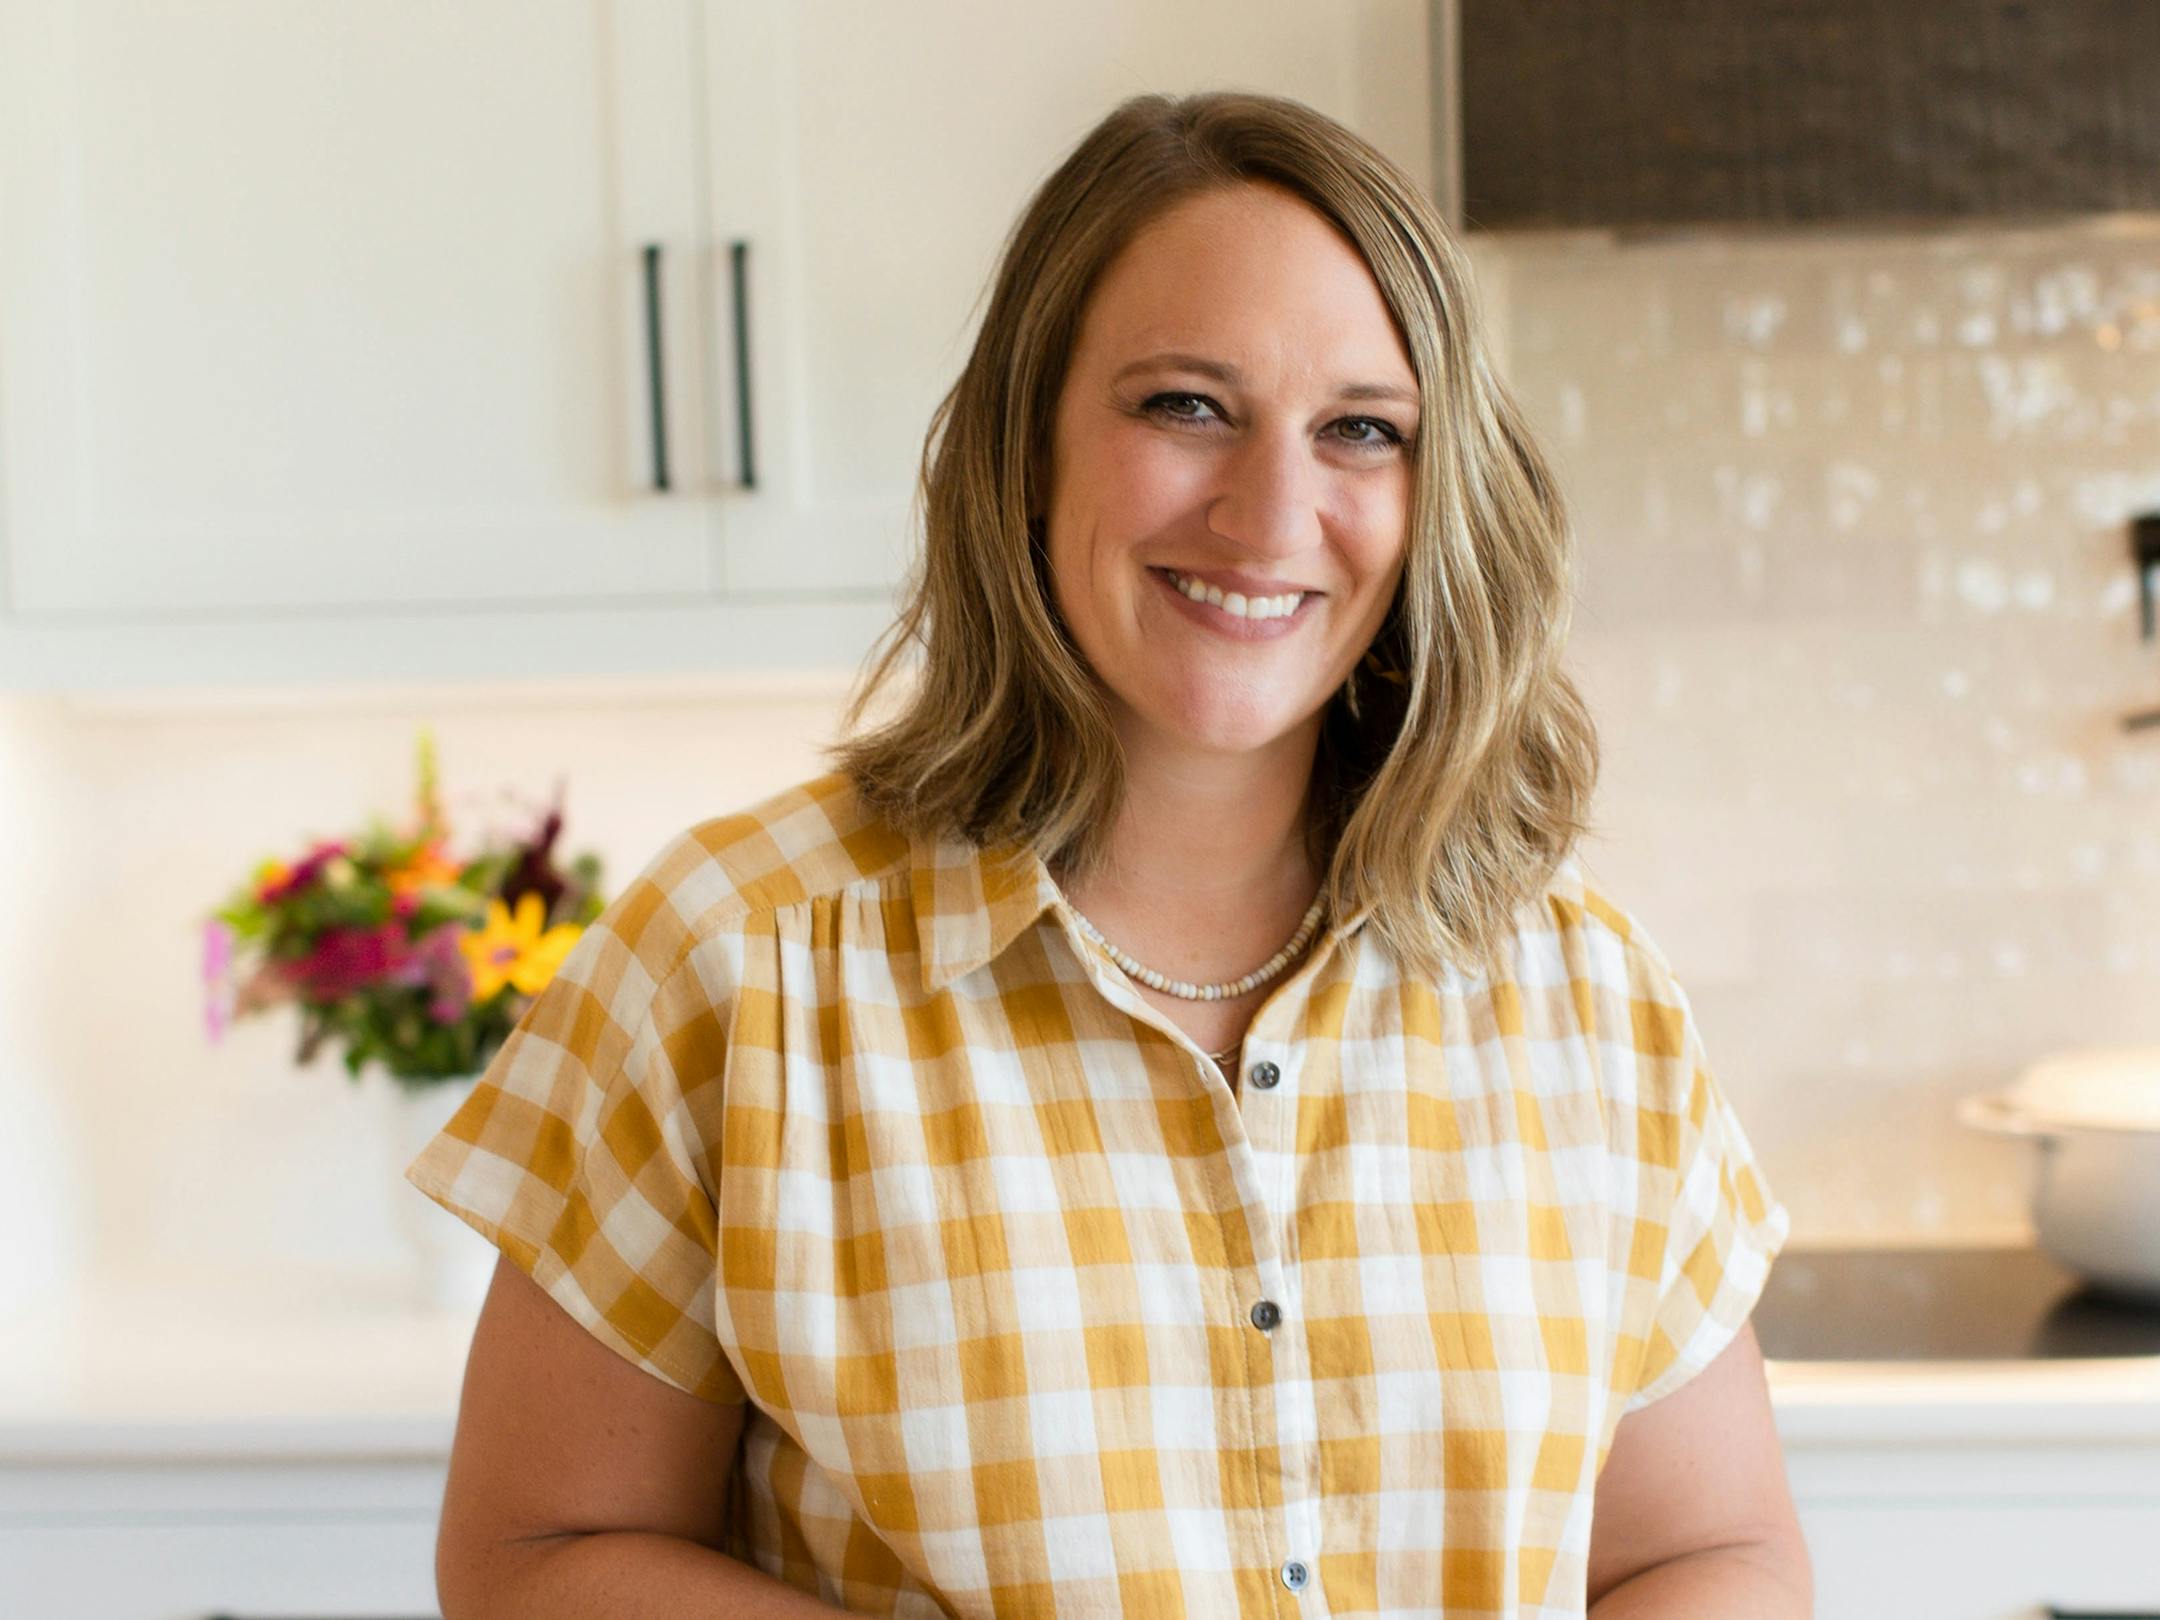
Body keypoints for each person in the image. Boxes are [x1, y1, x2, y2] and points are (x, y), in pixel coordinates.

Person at [409, 90, 1809, 1619]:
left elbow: (1706, 1555)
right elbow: (533, 1560)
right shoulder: (733, 961)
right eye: (1185, 406)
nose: (1273, 511)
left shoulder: (1582, 990)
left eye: (1361, 430)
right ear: (1029, 444)